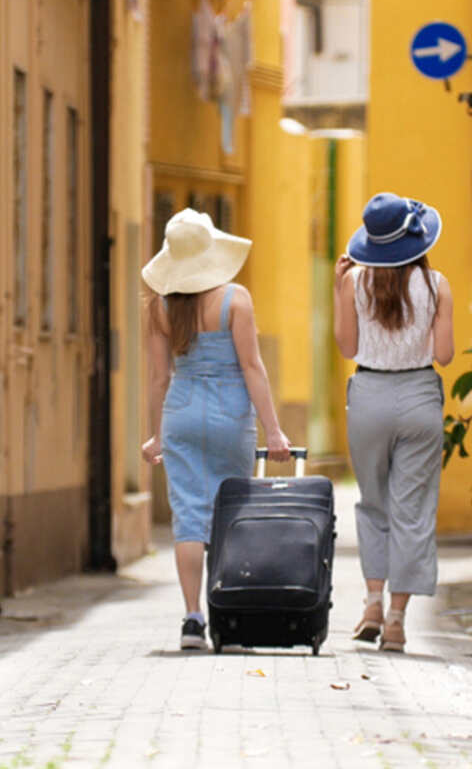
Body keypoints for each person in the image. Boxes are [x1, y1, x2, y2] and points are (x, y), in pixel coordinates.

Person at [140, 208, 291, 650]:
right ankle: (229, 619)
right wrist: (274, 431)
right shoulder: (235, 300)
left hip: (182, 412)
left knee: (189, 516)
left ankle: (192, 620)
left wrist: (155, 434)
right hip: (230, 414)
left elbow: (158, 378)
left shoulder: (159, 307)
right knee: (229, 516)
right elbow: (252, 367)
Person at [334, 192, 454, 652]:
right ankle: (398, 621)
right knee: (413, 511)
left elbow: (346, 347)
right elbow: (443, 355)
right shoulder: (438, 284)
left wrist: (337, 287)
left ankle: (370, 603)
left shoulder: (354, 283)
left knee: (373, 504)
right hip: (419, 396)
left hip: (368, 396)